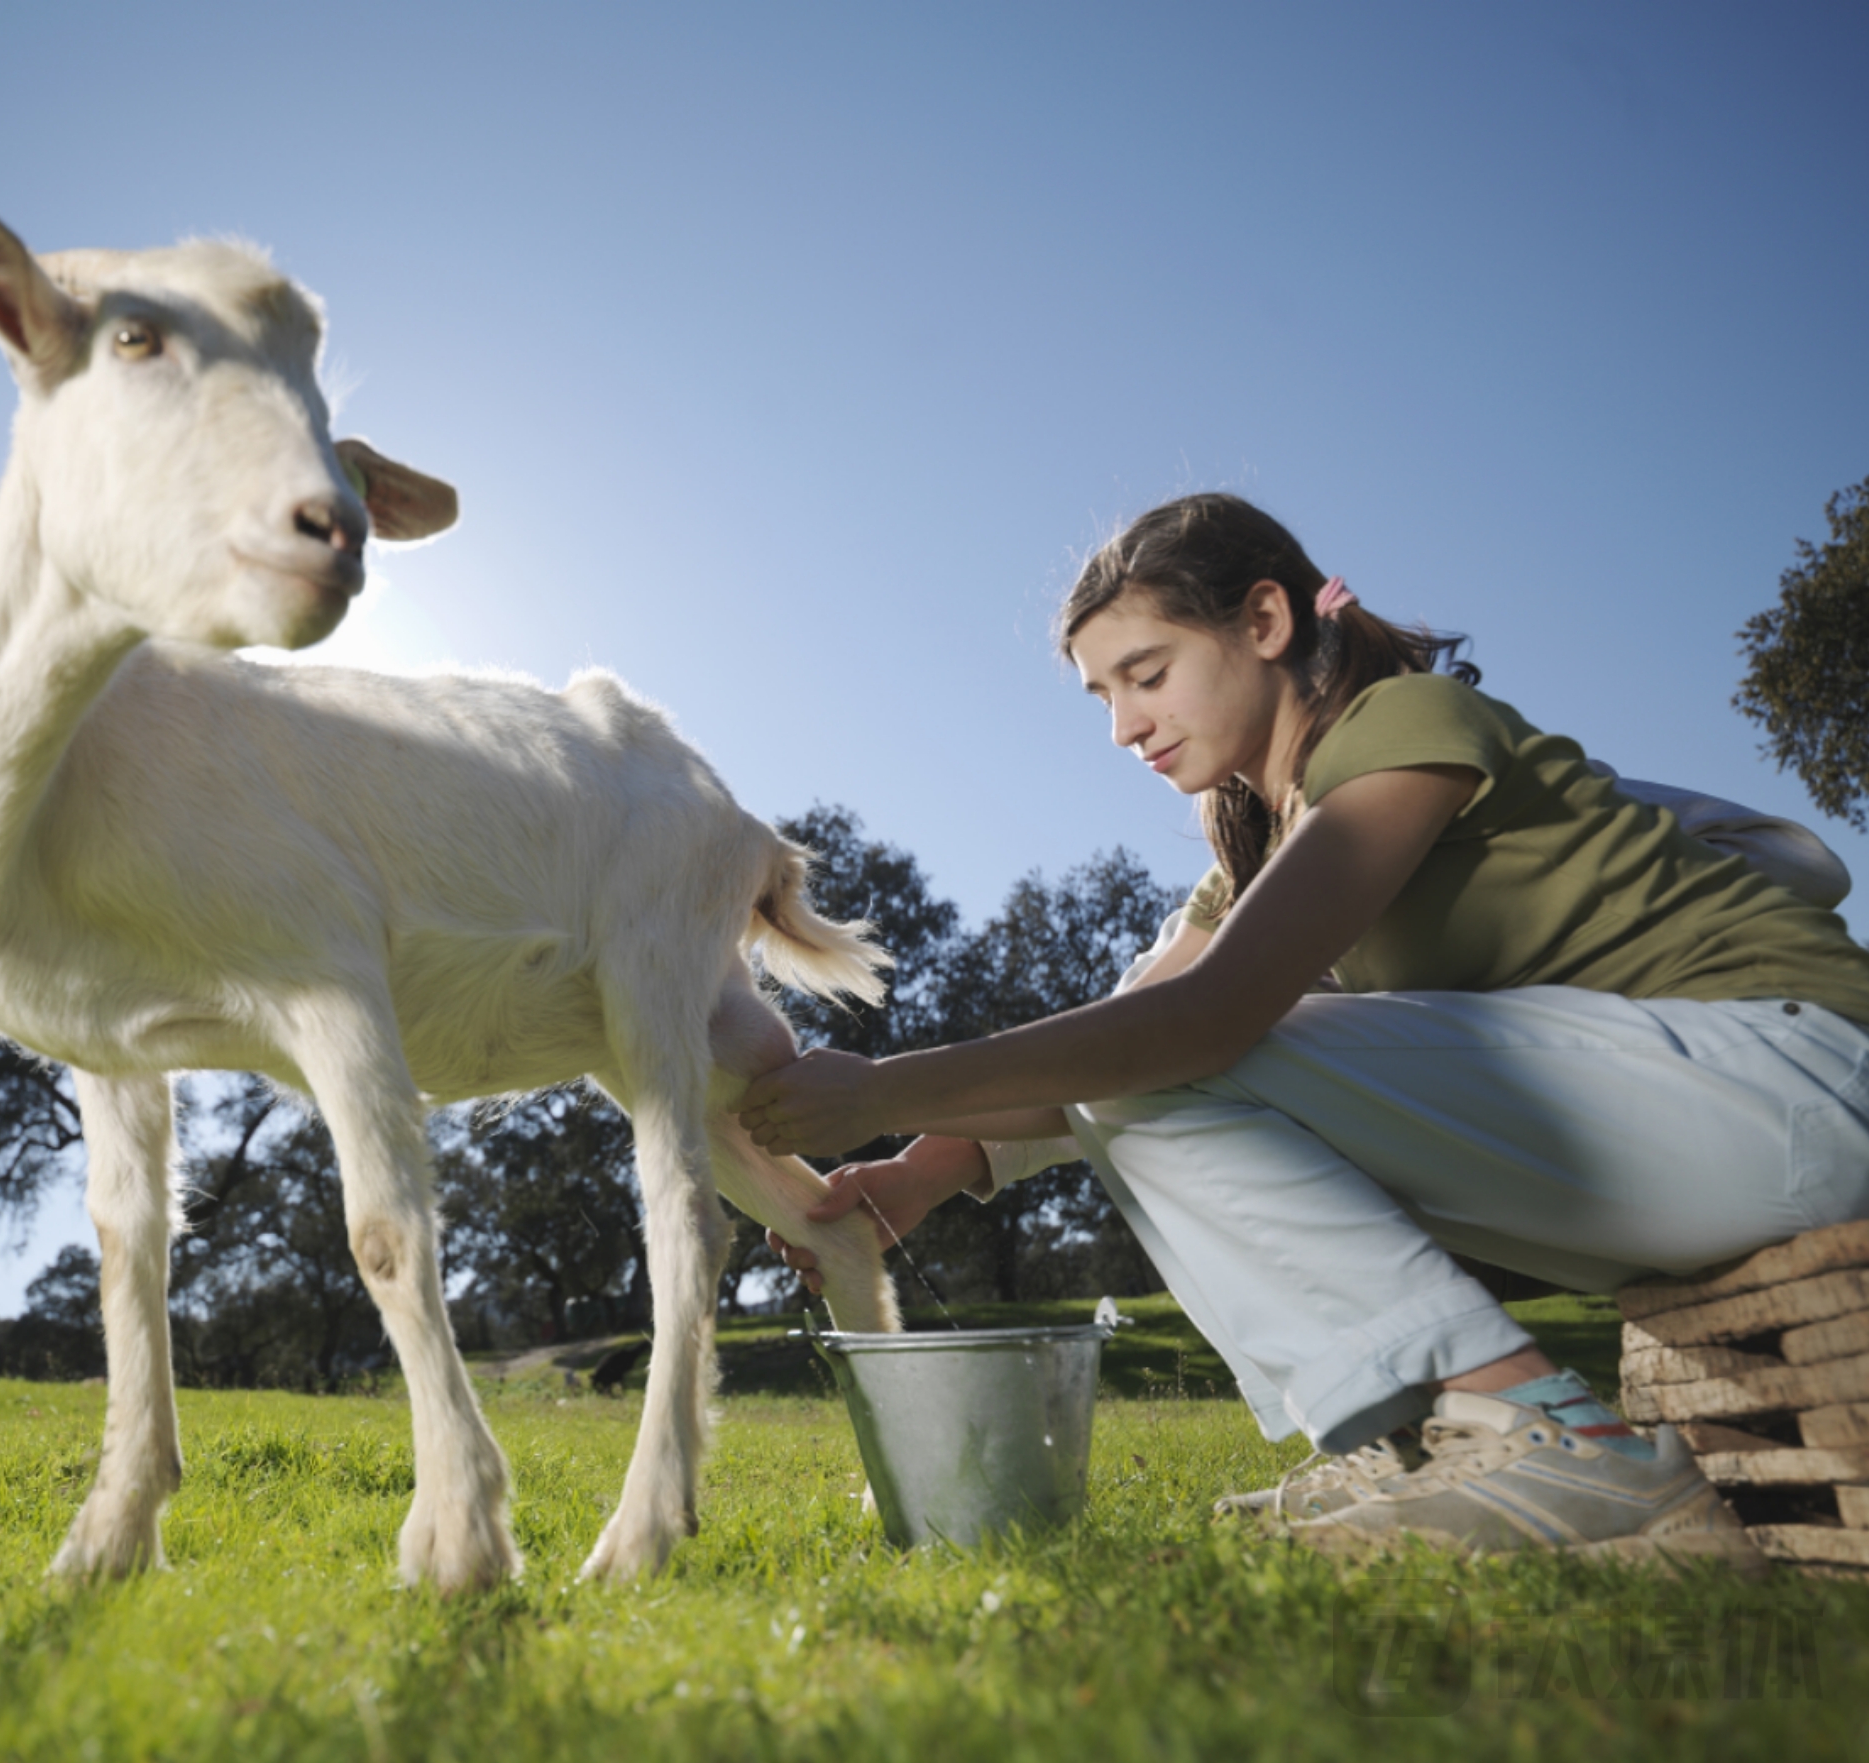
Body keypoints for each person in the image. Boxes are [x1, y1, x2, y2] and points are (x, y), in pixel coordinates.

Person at [738, 492, 1869, 1565]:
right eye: (1102, 697)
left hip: (1798, 1082)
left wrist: (882, 1084)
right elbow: (1126, 1051)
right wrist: (921, 1172)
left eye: (1147, 674)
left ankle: (1542, 1431)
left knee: (1178, 1044)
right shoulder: (1263, 857)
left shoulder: (1408, 725)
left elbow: (1199, 1026)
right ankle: (1434, 1439)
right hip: (1675, 1146)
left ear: (1265, 621)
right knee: (1143, 1051)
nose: (1126, 725)